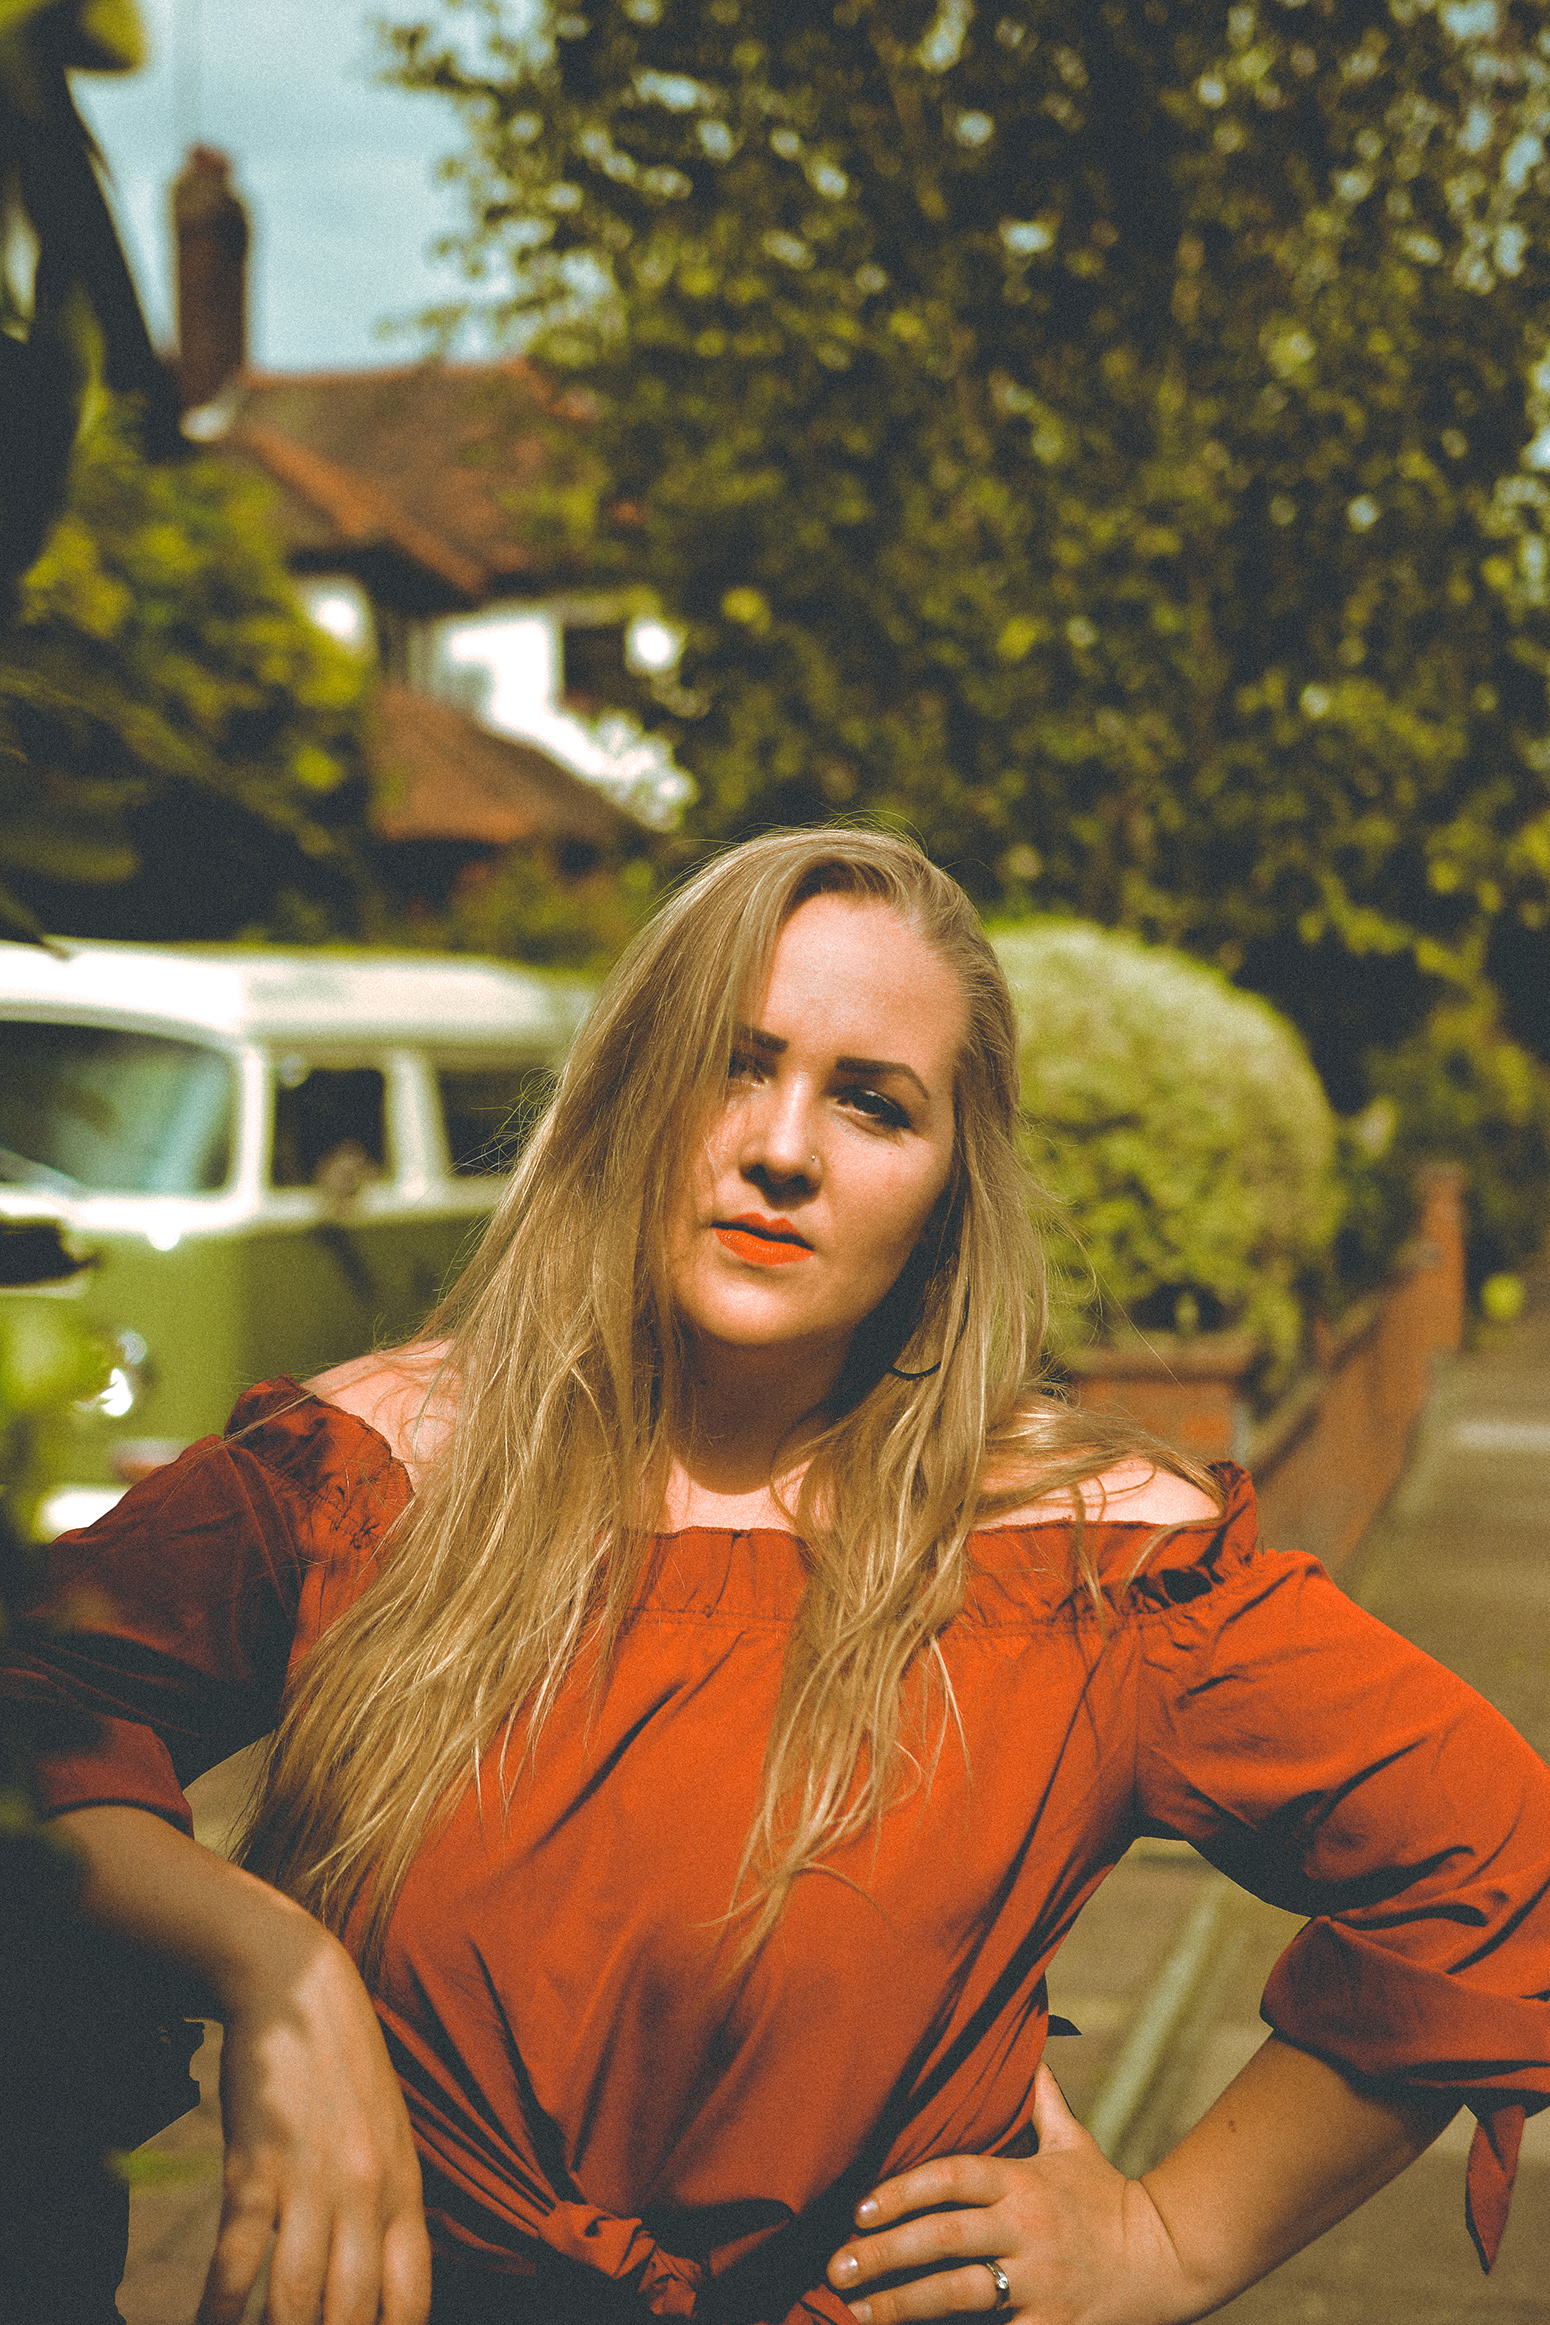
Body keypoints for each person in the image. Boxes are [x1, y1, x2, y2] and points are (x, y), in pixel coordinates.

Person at [6, 827, 1549, 2325]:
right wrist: (273, 1962)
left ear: (948, 1187)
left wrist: (1167, 2239)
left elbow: (1496, 1860)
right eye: (733, 1064)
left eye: (872, 1103)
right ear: (629, 1089)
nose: (782, 1148)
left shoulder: (1080, 1560)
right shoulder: (373, 1468)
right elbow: (31, 1703)